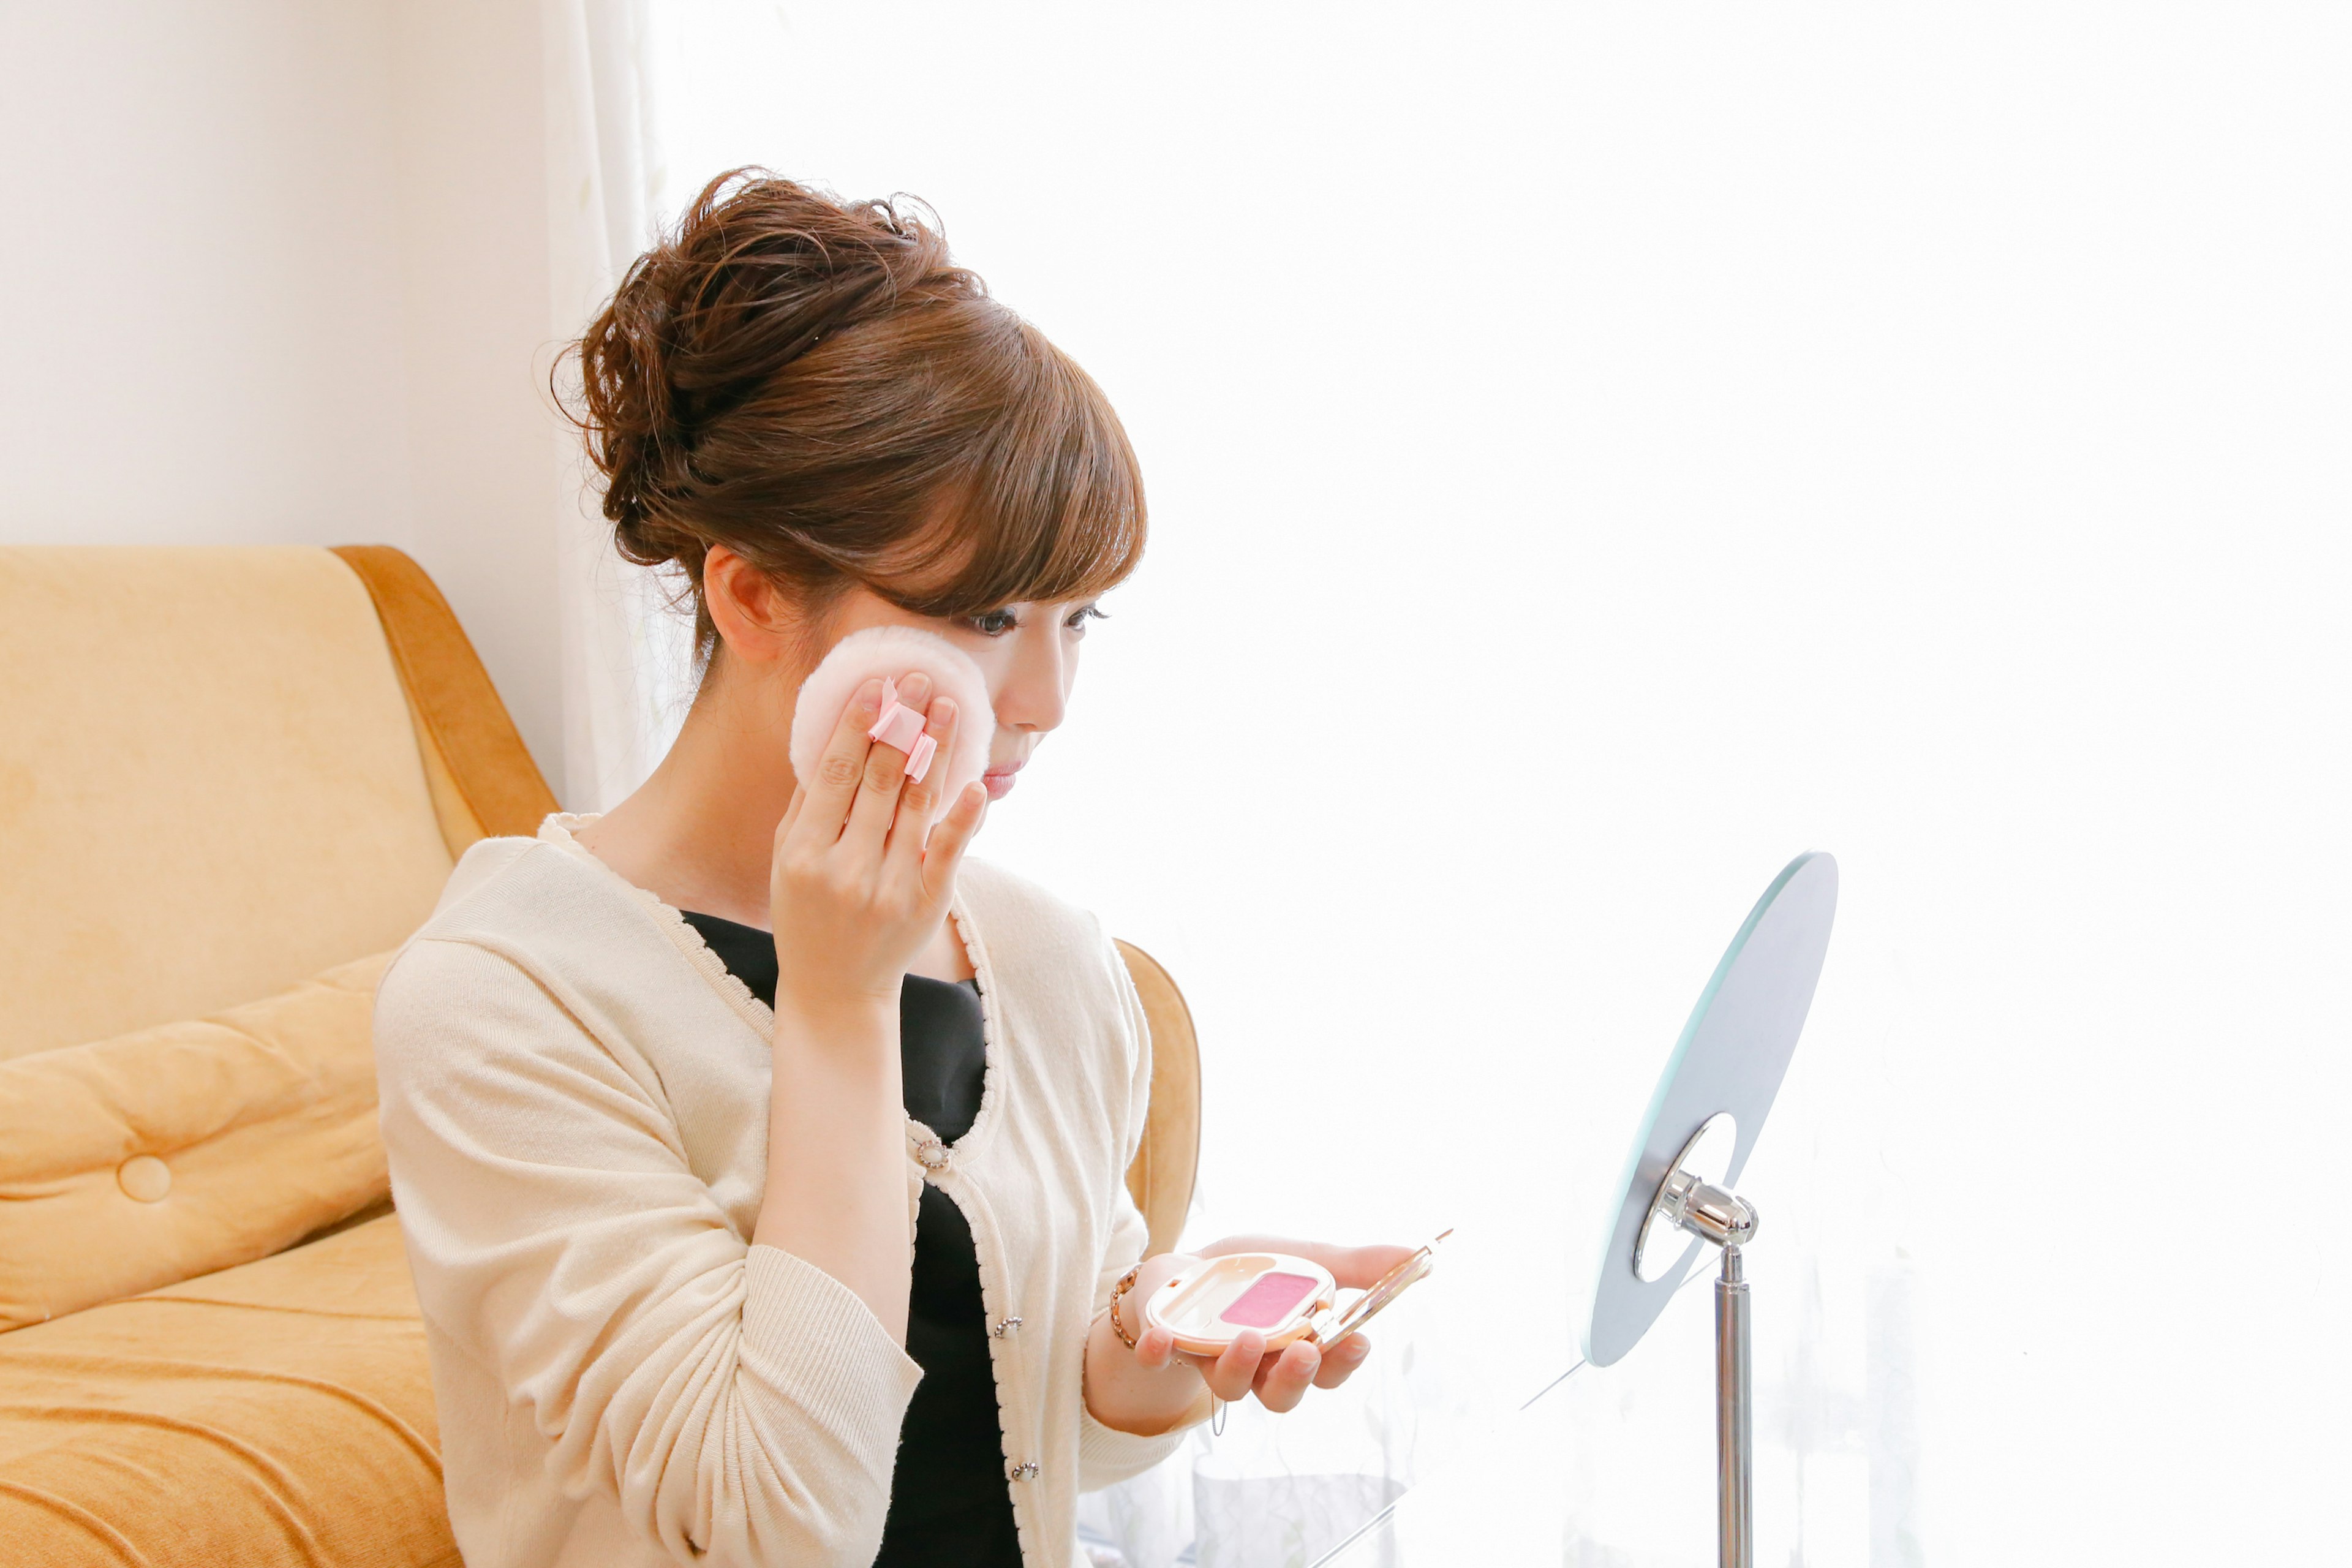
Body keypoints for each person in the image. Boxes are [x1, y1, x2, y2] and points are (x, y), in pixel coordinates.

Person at [371, 170, 1411, 1568]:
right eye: (986, 614)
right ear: (750, 596)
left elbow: (1053, 1410)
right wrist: (841, 1005)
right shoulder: (505, 1000)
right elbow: (777, 1522)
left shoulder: (1041, 952)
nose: (1044, 698)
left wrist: (1160, 1333)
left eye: (1077, 618)